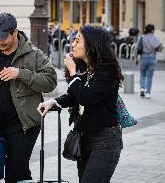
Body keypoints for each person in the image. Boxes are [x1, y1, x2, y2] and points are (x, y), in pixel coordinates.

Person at [0, 12, 57, 183]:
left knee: (13, 173)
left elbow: (50, 82)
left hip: (25, 125)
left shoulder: (34, 54)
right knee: (21, 172)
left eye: (3, 37)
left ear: (15, 32)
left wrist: (21, 74)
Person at [37, 25, 123, 183]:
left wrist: (73, 73)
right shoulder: (84, 69)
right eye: (74, 40)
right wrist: (54, 101)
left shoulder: (107, 71)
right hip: (84, 137)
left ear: (92, 45)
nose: (73, 44)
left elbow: (86, 97)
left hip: (105, 139)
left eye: (78, 40)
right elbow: (73, 96)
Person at [136, 24, 163, 98]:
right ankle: (148, 93)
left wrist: (136, 58)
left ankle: (142, 88)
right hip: (152, 57)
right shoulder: (155, 38)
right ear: (152, 30)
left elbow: (137, 48)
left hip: (143, 57)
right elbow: (161, 47)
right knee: (150, 76)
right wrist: (156, 49)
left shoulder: (141, 37)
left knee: (142, 74)